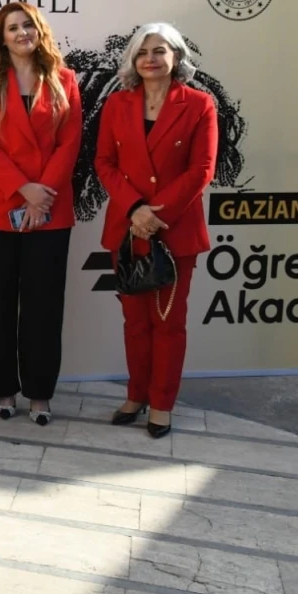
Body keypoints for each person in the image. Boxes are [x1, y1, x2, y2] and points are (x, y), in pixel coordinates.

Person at [94, 23, 216, 440]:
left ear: (176, 57)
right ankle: (135, 395)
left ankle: (161, 403)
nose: (150, 58)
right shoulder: (116, 105)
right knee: (135, 323)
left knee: (168, 323)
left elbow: (201, 170)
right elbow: (104, 164)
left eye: (159, 51)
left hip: (173, 229)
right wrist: (134, 209)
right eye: (142, 52)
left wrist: (154, 214)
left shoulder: (200, 105)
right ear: (133, 60)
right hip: (128, 230)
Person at [0, 1, 82, 425]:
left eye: (27, 25)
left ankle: (39, 394)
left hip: (50, 211)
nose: (20, 33)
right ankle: (3, 389)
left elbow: (70, 143)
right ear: (1, 37)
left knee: (43, 306)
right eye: (12, 27)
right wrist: (22, 189)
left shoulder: (66, 80)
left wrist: (41, 195)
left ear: (39, 31)